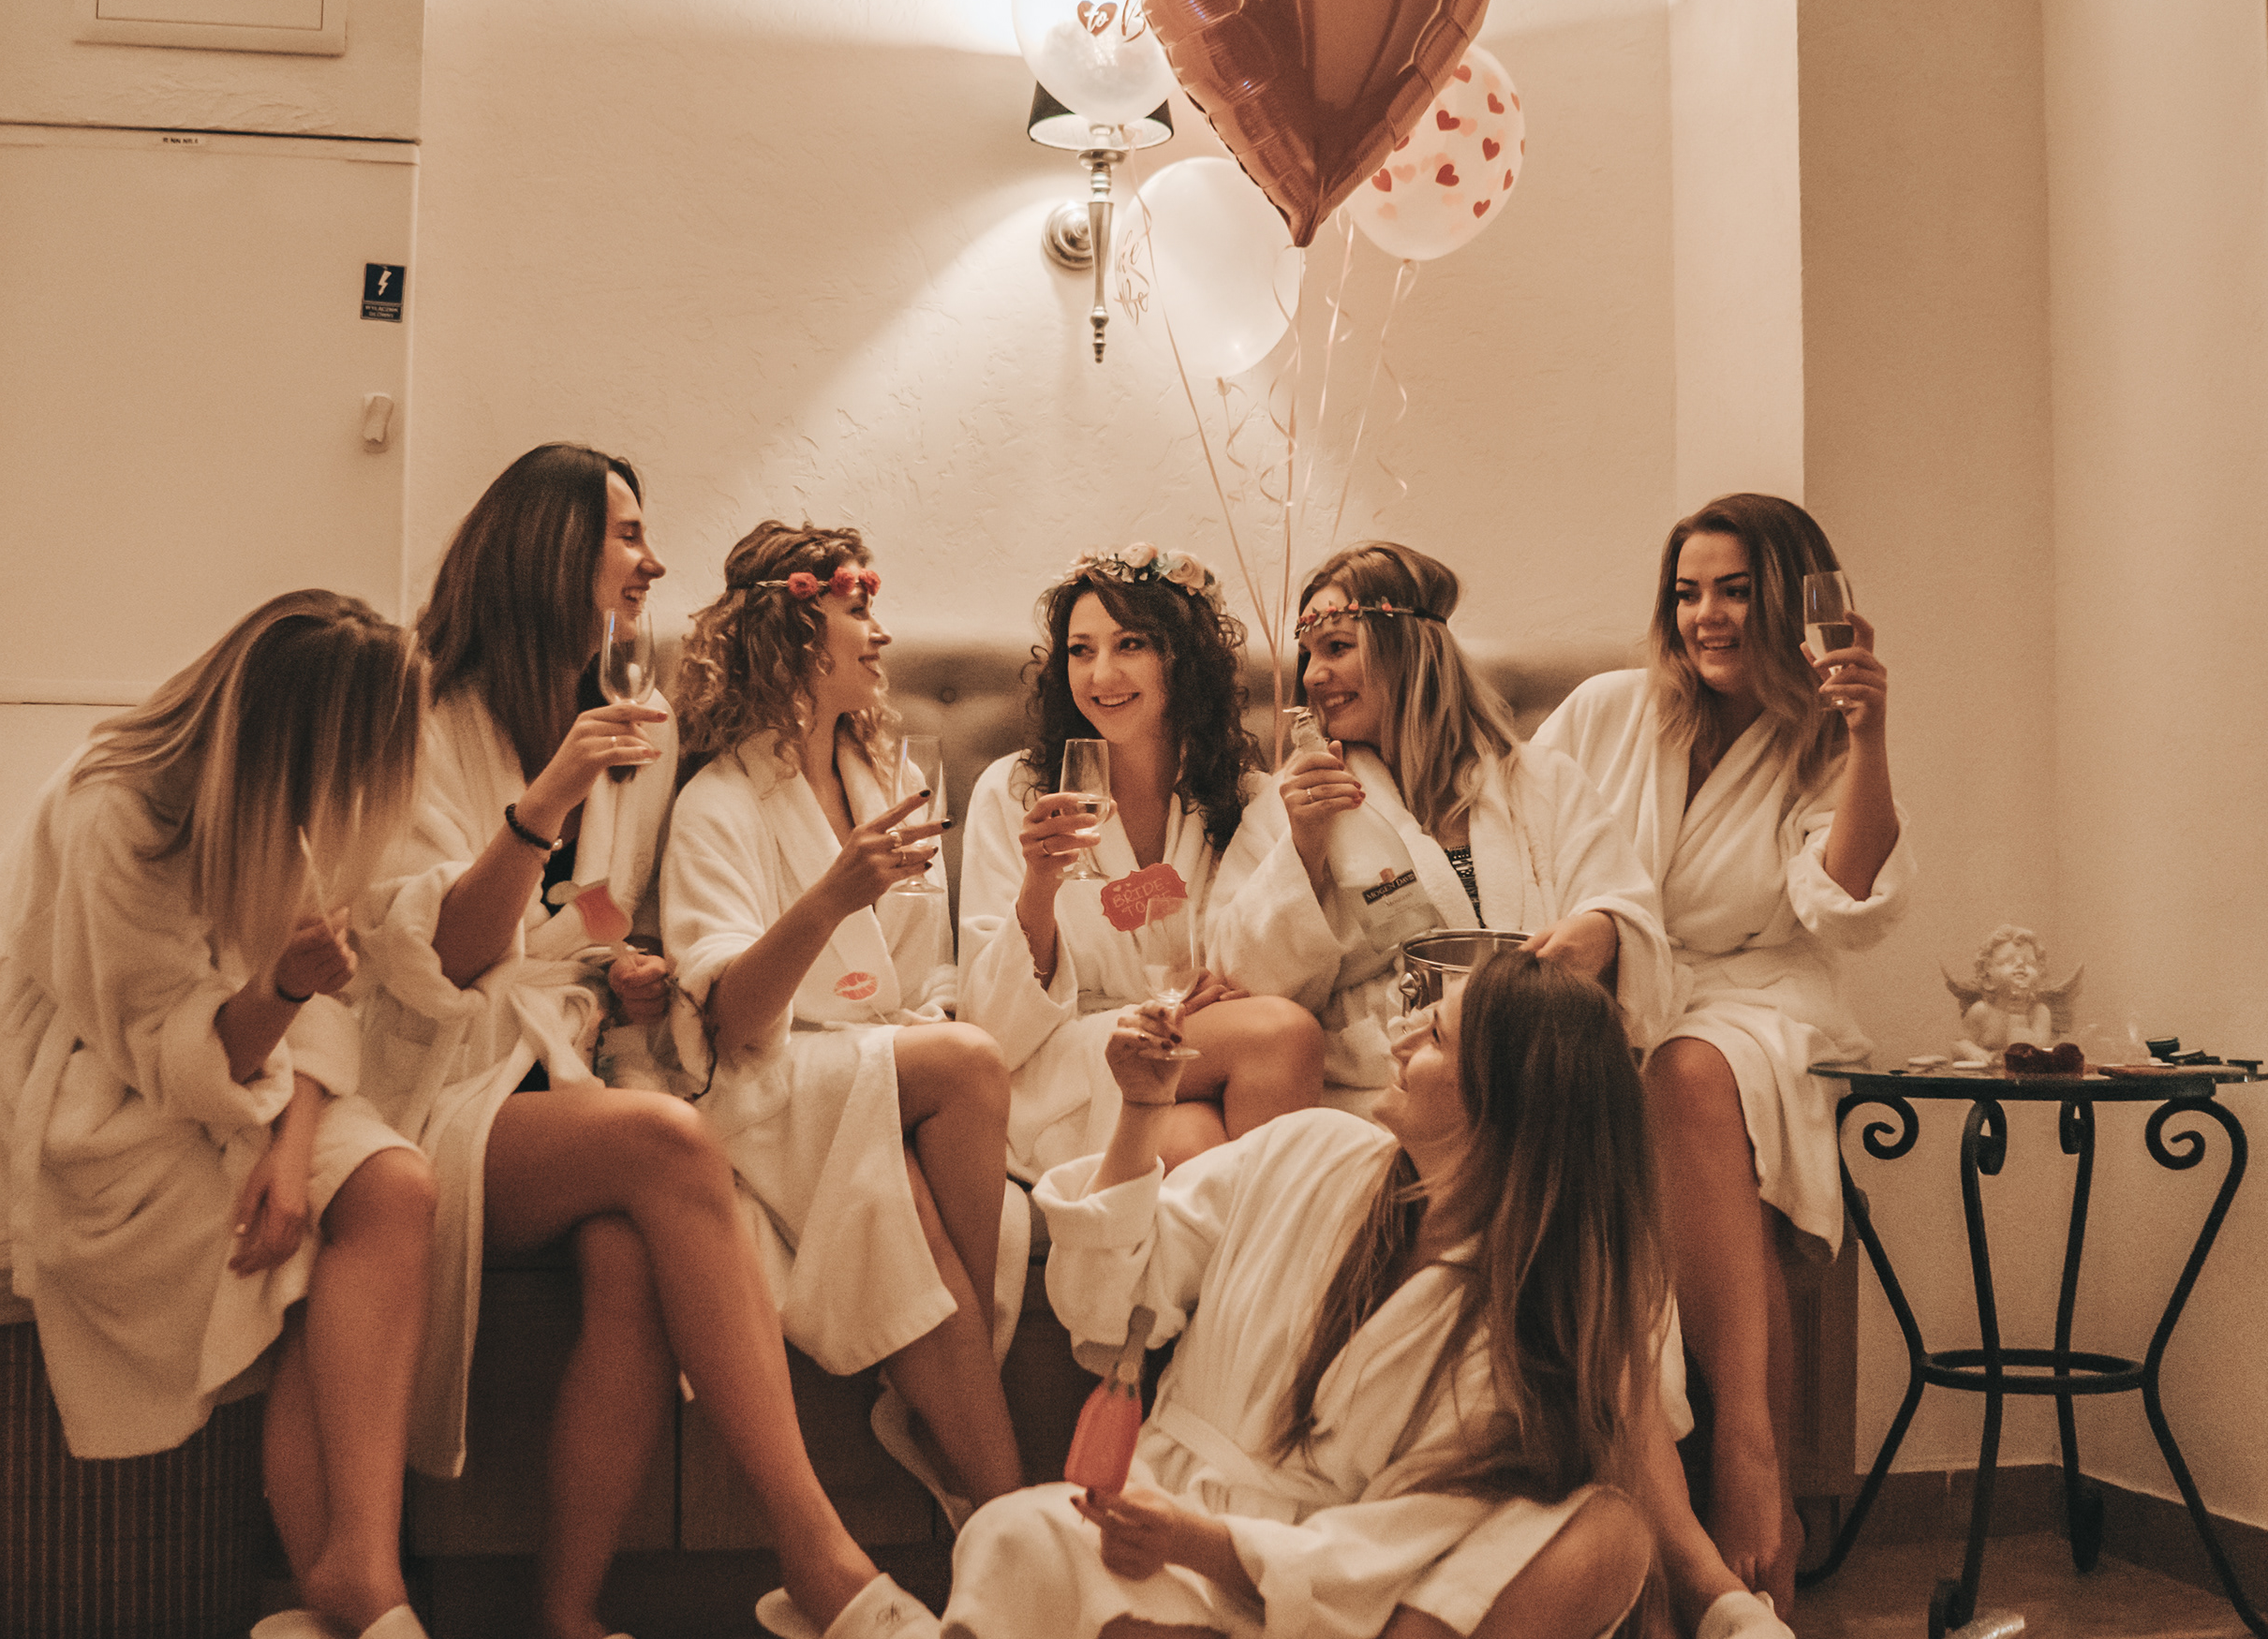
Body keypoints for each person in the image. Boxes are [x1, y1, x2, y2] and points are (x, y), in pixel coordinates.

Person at [345, 448, 971, 1639]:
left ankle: (561, 1623)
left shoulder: (638, 726)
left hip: (567, 1068)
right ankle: (821, 1563)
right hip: (435, 1085)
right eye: (627, 535)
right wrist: (549, 796)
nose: (653, 560)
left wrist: (624, 970)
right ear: (550, 549)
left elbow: (601, 922)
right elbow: (442, 958)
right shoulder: (421, 714)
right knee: (674, 1151)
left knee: (631, 1258)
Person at [939, 952, 1776, 1639]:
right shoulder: (1308, 1146)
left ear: (1500, 1100)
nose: (1401, 1039)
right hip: (1184, 1565)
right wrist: (1141, 1111)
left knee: (1610, 1545)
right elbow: (1103, 1308)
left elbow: (1403, 1545)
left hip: (1358, 1609)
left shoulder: (1522, 1319)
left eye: (1436, 1035)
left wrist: (1212, 1547)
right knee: (1004, 1549)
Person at [0, 589, 530, 1639]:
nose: (367, 786)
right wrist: (280, 995)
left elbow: (316, 1004)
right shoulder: (114, 814)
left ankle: (357, 1570)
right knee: (304, 1260)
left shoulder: (291, 804)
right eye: (360, 755)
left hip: (256, 1068)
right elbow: (177, 1050)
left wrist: (296, 1141)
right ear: (298, 733)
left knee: (395, 1189)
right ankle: (360, 1630)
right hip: (96, 1088)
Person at [1535, 492, 1909, 1621]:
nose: (1708, 615)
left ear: (1792, 600)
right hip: (1627, 992)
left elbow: (1844, 902)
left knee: (1689, 1070)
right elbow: (1513, 830)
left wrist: (1867, 739)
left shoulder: (1815, 742)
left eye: (1736, 591)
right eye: (1689, 592)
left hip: (1757, 997)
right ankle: (1751, 1505)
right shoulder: (1609, 711)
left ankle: (1746, 1455)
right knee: (1665, 1081)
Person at [660, 522, 1029, 1521]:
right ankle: (1016, 1515)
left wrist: (916, 1030)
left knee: (918, 1185)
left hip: (879, 1069)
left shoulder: (893, 781)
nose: (881, 633)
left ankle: (991, 1506)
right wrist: (830, 896)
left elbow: (931, 968)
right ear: (792, 632)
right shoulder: (719, 802)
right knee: (968, 1064)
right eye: (859, 610)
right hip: (774, 1081)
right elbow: (732, 1023)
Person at [1208, 541, 1677, 1092]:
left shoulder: (1544, 781)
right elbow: (1239, 982)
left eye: (1336, 647)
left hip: (1540, 1084)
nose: (1312, 675)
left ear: (1409, 651)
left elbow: (1629, 914)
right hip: (1378, 1087)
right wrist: (1303, 852)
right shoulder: (1297, 801)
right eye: (1307, 655)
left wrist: (1604, 933)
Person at [957, 543, 1325, 1175]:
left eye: (1130, 645)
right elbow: (990, 1025)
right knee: (1283, 1034)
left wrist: (1309, 844)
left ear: (1185, 659)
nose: (1101, 675)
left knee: (1194, 1147)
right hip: (1068, 1063)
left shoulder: (1243, 798)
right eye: (1081, 650)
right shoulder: (1017, 791)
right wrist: (1040, 884)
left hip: (1194, 1053)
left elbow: (1268, 966)